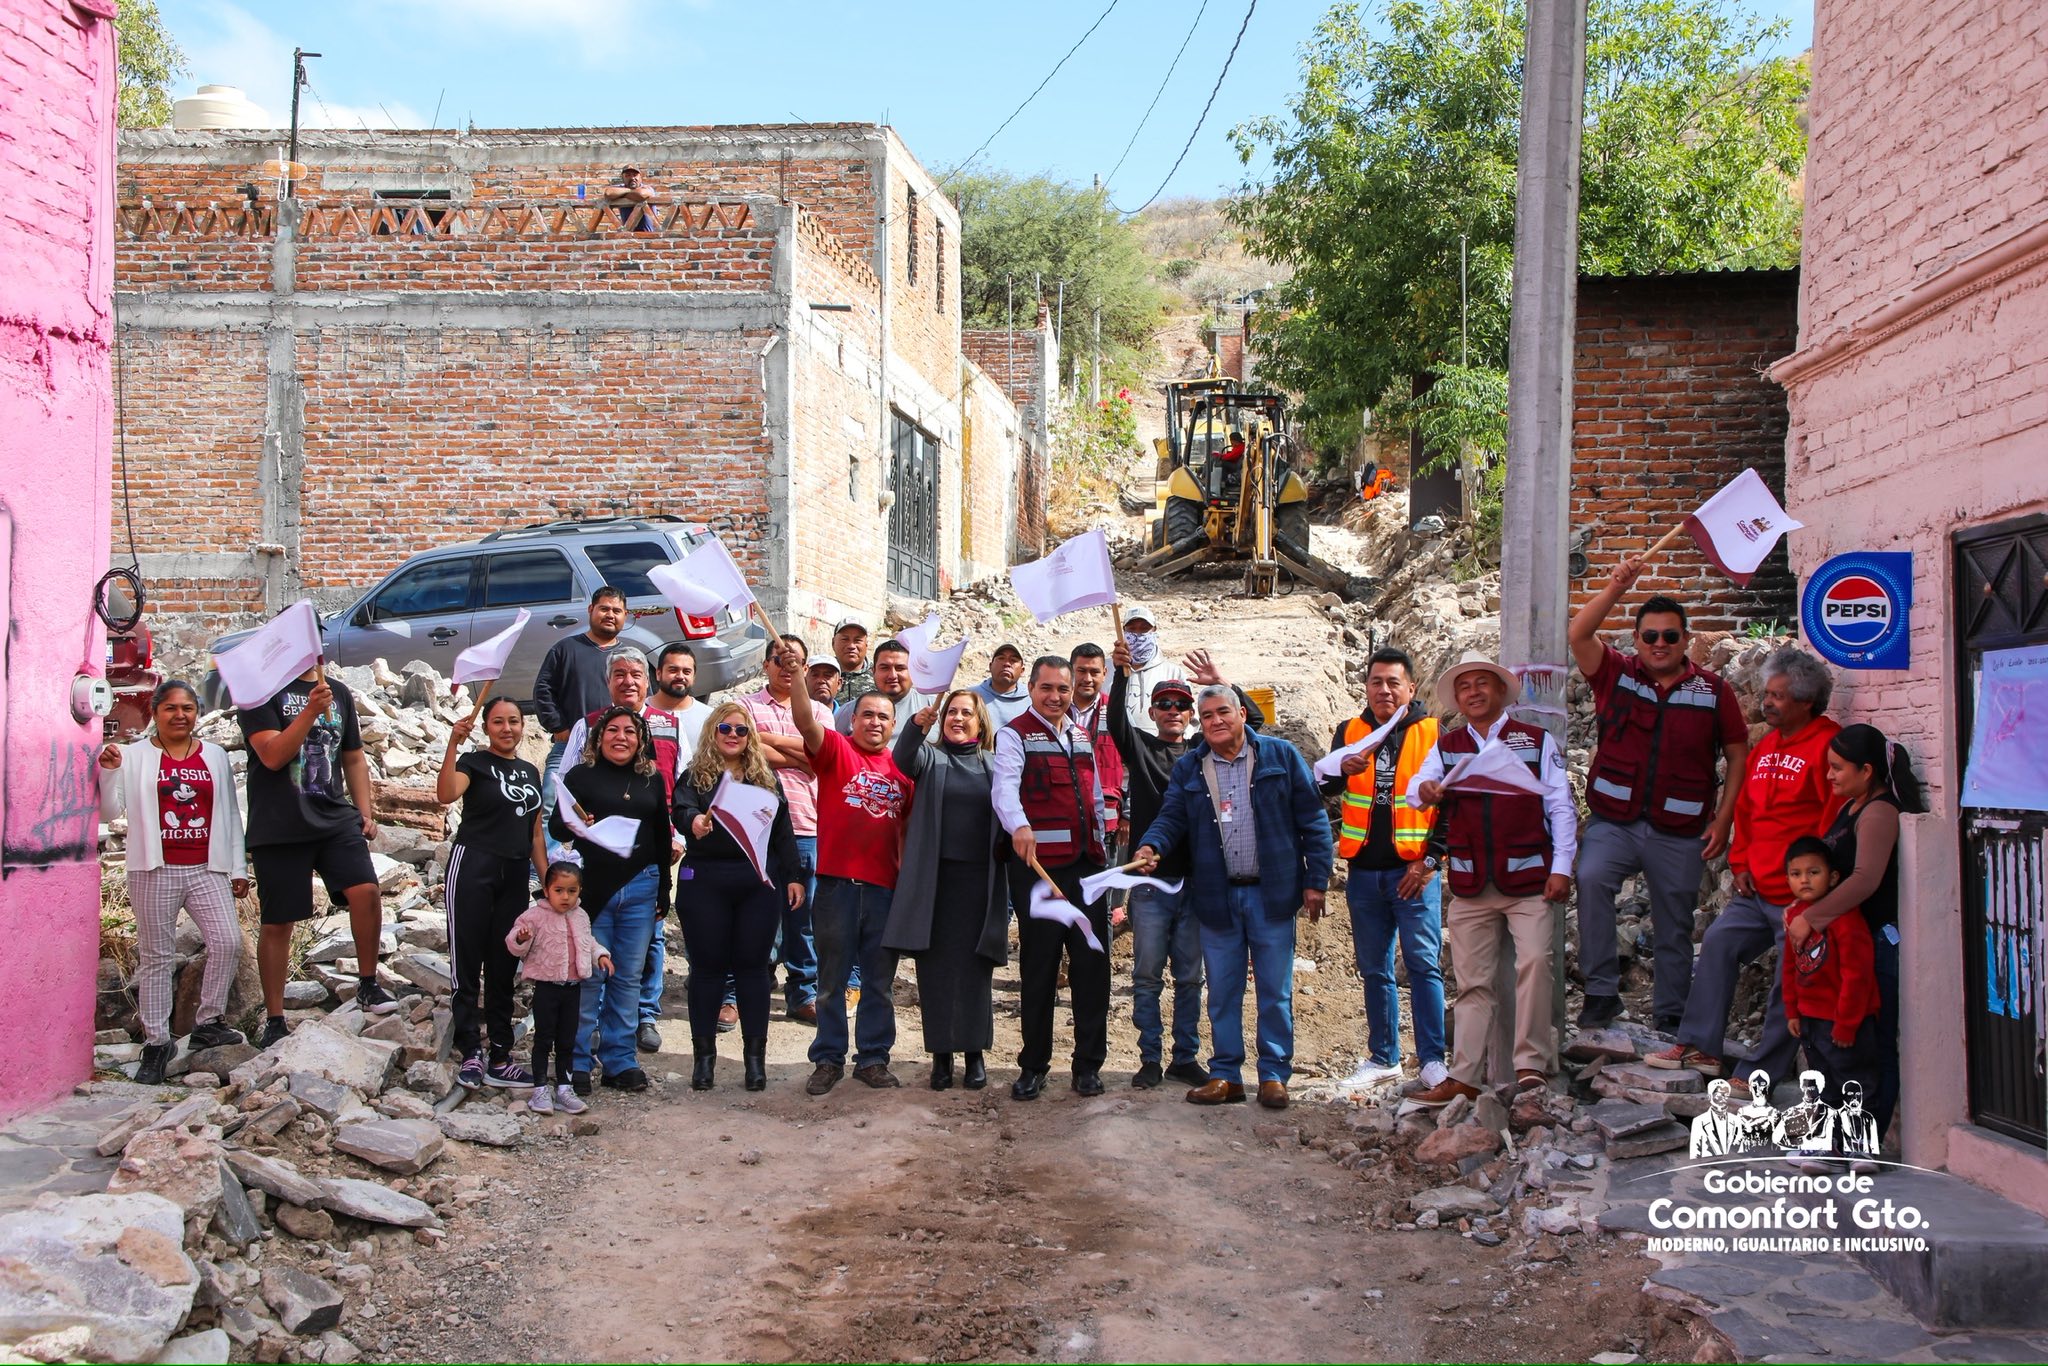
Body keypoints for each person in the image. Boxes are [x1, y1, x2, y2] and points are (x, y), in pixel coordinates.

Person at [1568, 559, 1750, 1031]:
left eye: (1670, 636)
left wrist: (1725, 819)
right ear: (1637, 639)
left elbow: (1736, 753)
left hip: (1681, 828)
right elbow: (1579, 635)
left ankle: (1671, 1012)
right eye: (1650, 636)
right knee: (1590, 880)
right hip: (1615, 820)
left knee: (1674, 922)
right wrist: (1615, 585)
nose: (1660, 644)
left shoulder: (1713, 691)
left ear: (1686, 640)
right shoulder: (1616, 675)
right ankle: (1602, 993)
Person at [1134, 685, 1333, 1110]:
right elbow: (1170, 817)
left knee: (1274, 991)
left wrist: (1316, 880)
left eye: (1223, 712)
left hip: (1272, 895)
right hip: (1218, 898)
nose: (1215, 721)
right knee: (1222, 991)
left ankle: (1274, 1075)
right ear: (1199, 724)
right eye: (1206, 716)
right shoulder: (1191, 767)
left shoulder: (1280, 757)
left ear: (1242, 713)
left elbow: (1313, 819)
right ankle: (1226, 1074)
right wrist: (1152, 846)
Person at [1651, 648, 1843, 1088]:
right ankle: (1700, 1046)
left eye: (1777, 696)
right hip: (1755, 889)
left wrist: (1817, 887)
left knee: (1788, 982)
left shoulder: (1826, 745)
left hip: (1801, 896)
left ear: (1806, 701)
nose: (1766, 703)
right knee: (1718, 943)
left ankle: (1762, 1072)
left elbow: (1832, 823)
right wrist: (1739, 862)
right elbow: (1747, 812)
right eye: (1767, 694)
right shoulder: (1767, 747)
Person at [1405, 652, 1579, 1103]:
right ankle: (1464, 1073)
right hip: (1469, 882)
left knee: (1536, 965)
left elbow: (1559, 807)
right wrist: (1425, 791)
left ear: (1501, 692)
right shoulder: (1448, 747)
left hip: (1529, 881)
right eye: (1465, 687)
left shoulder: (1535, 742)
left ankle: (1530, 1066)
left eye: (1483, 684)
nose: (1474, 693)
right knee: (1471, 982)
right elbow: (1418, 792)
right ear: (1458, 700)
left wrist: (1562, 868)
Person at [98, 680, 249, 1084]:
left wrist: (238, 868)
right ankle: (157, 1041)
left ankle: (208, 1022)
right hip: (153, 869)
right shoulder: (133, 755)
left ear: (196, 713)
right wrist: (108, 771)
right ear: (156, 712)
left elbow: (230, 815)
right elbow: (110, 810)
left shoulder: (214, 755)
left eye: (188, 708)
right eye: (171, 708)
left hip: (207, 867)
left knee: (227, 942)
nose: (180, 715)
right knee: (157, 958)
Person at [239, 660, 395, 1046]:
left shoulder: (338, 692)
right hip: (280, 823)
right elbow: (272, 756)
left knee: (366, 890)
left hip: (332, 814)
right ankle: (275, 1017)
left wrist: (364, 812)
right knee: (278, 921)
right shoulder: (258, 692)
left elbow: (353, 755)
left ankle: (368, 983)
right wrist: (309, 710)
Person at [783, 642, 915, 1094]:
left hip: (884, 891)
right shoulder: (836, 753)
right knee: (831, 980)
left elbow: (908, 835)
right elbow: (804, 720)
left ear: (893, 725)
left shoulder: (903, 775)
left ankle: (873, 1059)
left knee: (878, 983)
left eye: (883, 717)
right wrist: (798, 676)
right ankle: (827, 1059)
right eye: (867, 715)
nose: (875, 722)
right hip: (837, 887)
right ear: (852, 720)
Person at [1320, 647, 1448, 1092]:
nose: (1384, 690)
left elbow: (1453, 803)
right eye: (1376, 682)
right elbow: (1327, 786)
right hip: (1364, 874)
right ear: (1366, 687)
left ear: (1412, 688)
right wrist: (1340, 767)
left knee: (1423, 966)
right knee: (1374, 969)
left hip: (1413, 873)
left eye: (1394, 682)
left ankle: (1433, 1059)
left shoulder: (1434, 732)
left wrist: (1431, 860)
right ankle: (1384, 1057)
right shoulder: (1350, 730)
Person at [1794, 723, 1920, 1144]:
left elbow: (1865, 879)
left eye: (1838, 768)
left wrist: (1813, 919)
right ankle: (1840, 1139)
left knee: (1874, 1044)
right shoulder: (1850, 807)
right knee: (1838, 1049)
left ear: (1867, 771)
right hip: (1848, 941)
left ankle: (1865, 1140)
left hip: (1877, 943)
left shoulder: (1879, 812)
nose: (1829, 776)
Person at [996, 655, 1111, 1100]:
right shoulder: (1013, 735)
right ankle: (1034, 1066)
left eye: (1063, 689)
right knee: (1040, 970)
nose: (1056, 697)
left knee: (1091, 970)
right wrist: (1018, 826)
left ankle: (1087, 1066)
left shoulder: (1081, 735)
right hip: (1040, 872)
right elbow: (1004, 787)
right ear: (1031, 687)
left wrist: (1104, 845)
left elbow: (1094, 794)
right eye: (1047, 688)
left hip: (1087, 870)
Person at [673, 702, 802, 1091]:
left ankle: (754, 1061)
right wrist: (693, 821)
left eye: (741, 731)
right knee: (708, 969)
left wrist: (794, 877)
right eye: (725, 729)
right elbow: (681, 808)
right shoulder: (695, 775)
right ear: (713, 732)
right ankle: (704, 1060)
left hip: (757, 884)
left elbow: (783, 832)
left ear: (750, 738)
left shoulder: (765, 779)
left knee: (753, 968)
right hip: (706, 880)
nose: (733, 735)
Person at [882, 691, 1007, 1092]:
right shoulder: (930, 758)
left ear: (979, 721)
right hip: (934, 884)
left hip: (978, 885)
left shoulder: (995, 763)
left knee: (975, 972)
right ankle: (940, 1057)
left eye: (965, 713)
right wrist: (917, 726)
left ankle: (974, 1056)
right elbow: (902, 758)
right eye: (951, 712)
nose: (957, 718)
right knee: (934, 974)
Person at [549, 706, 673, 1095]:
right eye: (613, 731)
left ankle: (620, 1061)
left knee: (628, 977)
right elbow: (556, 825)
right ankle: (579, 1063)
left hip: (642, 886)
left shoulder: (651, 778)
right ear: (598, 737)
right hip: (595, 889)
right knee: (589, 976)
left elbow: (660, 836)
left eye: (630, 732)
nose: (621, 737)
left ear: (641, 740)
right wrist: (577, 820)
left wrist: (664, 889)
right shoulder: (580, 775)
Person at [1105, 650, 1208, 1091]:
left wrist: (1219, 679)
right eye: (1164, 704)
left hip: (1195, 883)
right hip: (1149, 885)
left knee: (1189, 977)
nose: (1172, 711)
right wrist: (1122, 675)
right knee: (1147, 976)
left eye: (1180, 705)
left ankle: (1184, 1057)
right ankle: (1150, 1057)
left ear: (1190, 713)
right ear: (1153, 711)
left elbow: (1253, 725)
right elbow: (1114, 723)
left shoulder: (1205, 754)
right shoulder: (1143, 749)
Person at [436, 695, 547, 1091]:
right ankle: (470, 1050)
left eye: (514, 721)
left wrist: (547, 883)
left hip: (515, 873)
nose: (507, 729)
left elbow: (535, 833)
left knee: (503, 963)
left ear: (523, 726)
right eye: (498, 722)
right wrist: (453, 743)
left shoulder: (530, 771)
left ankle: (501, 1055)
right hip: (474, 866)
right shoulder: (474, 763)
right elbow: (446, 794)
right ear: (486, 727)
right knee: (467, 960)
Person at [1779, 835, 1880, 1166]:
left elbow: (1858, 975)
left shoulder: (1846, 919)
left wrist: (1847, 1024)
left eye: (1813, 872)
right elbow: (1791, 967)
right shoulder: (1797, 918)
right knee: (1823, 1086)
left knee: (1855, 1082)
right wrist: (1792, 1011)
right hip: (1811, 1020)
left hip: (1845, 1020)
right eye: (1796, 874)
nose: (1804, 880)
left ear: (1833, 877)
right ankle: (1828, 1147)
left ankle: (1861, 1147)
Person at [745, 633, 821, 1024]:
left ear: (804, 669)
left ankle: (803, 993)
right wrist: (797, 750)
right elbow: (744, 748)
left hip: (806, 825)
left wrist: (769, 741)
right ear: (766, 665)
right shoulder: (744, 706)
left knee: (803, 919)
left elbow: (817, 757)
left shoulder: (820, 712)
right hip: (756, 829)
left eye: (793, 661)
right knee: (756, 917)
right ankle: (749, 990)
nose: (784, 666)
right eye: (777, 659)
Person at [506, 862, 609, 1116]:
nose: (565, 897)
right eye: (559, 890)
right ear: (546, 889)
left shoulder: (581, 915)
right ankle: (540, 1089)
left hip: (573, 988)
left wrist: (600, 956)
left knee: (567, 1040)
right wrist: (522, 937)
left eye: (572, 891)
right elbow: (514, 943)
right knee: (543, 1038)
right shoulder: (534, 916)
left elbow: (589, 942)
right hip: (547, 987)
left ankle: (564, 1088)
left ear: (579, 890)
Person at [642, 643, 706, 1046]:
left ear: (694, 676)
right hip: (643, 836)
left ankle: (649, 1009)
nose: (678, 676)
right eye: (671, 669)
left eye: (686, 670)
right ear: (658, 673)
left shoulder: (706, 717)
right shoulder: (643, 715)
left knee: (669, 920)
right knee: (646, 925)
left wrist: (681, 834)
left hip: (691, 835)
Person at [535, 587, 628, 818]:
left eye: (617, 610)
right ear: (591, 610)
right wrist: (559, 727)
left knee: (609, 809)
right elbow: (543, 690)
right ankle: (550, 854)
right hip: (568, 746)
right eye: (604, 608)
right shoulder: (565, 649)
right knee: (551, 802)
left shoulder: (629, 657)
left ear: (625, 615)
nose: (610, 615)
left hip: (616, 748)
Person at [835, 637, 926, 736]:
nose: (892, 676)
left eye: (900, 668)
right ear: (873, 671)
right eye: (885, 668)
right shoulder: (848, 711)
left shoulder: (934, 708)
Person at [969, 643, 1031, 729]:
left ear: (1022, 671)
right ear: (990, 666)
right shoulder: (971, 696)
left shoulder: (1033, 700)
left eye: (1013, 660)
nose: (1006, 664)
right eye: (1001, 658)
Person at [1689, 1079, 1742, 1158]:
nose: (1722, 1099)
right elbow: (1695, 1150)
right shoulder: (1699, 1122)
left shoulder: (1735, 1120)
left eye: (1725, 1095)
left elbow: (1741, 1147)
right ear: (1709, 1096)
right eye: (1718, 1095)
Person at [830, 620, 873, 703]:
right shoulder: (821, 675)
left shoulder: (878, 674)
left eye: (858, 640)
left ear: (866, 644)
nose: (851, 646)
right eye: (845, 639)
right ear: (833, 642)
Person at [604, 165, 655, 230]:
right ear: (623, 178)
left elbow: (641, 195)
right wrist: (631, 192)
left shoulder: (647, 188)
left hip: (649, 235)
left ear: (640, 177)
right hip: (628, 235)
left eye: (635, 175)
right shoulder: (621, 187)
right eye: (628, 175)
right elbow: (608, 193)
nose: (632, 178)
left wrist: (621, 194)